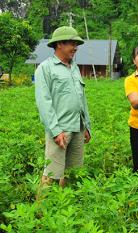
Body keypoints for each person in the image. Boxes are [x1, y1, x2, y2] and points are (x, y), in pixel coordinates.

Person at [35, 26, 91, 187]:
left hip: (78, 127)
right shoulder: (45, 69)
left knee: (74, 174)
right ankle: (42, 210)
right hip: (60, 129)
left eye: (76, 44)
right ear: (59, 44)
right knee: (51, 175)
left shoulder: (74, 67)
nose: (75, 48)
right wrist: (55, 130)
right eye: (72, 44)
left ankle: (68, 206)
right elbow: (44, 103)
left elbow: (82, 98)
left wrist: (86, 125)